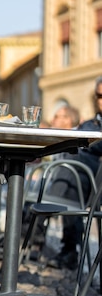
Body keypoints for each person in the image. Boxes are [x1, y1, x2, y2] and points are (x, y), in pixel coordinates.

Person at [45, 77, 102, 270]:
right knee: (70, 178)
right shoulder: (90, 124)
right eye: (99, 95)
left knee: (72, 165)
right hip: (78, 179)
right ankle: (68, 250)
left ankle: (31, 226)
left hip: (94, 181)